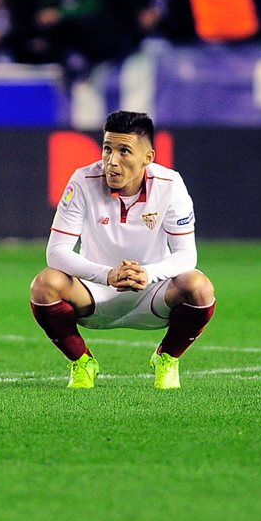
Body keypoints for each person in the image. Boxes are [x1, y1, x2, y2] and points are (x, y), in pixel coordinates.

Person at [29, 111, 216, 390]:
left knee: (199, 287)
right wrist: (107, 275)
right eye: (107, 149)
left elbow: (187, 254)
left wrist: (148, 273)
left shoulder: (170, 185)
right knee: (44, 285)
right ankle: (82, 362)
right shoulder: (83, 181)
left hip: (151, 293)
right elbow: (56, 252)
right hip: (94, 292)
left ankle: (167, 358)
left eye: (124, 151)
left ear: (148, 158)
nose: (111, 161)